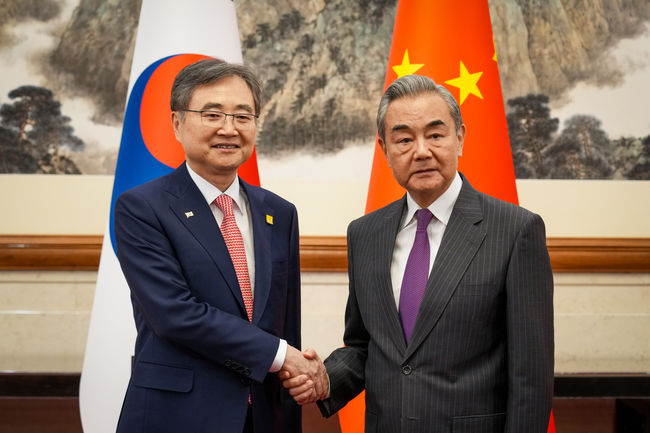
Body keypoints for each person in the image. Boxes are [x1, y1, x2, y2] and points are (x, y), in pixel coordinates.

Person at [284, 74, 554, 432]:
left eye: (435, 135)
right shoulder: (365, 234)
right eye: (404, 139)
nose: (422, 151)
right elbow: (365, 345)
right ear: (385, 149)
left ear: (460, 138)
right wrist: (325, 377)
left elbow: (530, 377)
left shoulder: (515, 230)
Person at [113, 59, 323, 433]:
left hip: (263, 416)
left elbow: (285, 323)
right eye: (212, 115)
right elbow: (175, 314)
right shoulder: (142, 208)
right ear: (177, 123)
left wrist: (295, 377)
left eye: (243, 116)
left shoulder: (279, 213)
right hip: (178, 416)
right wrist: (282, 355)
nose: (229, 129)